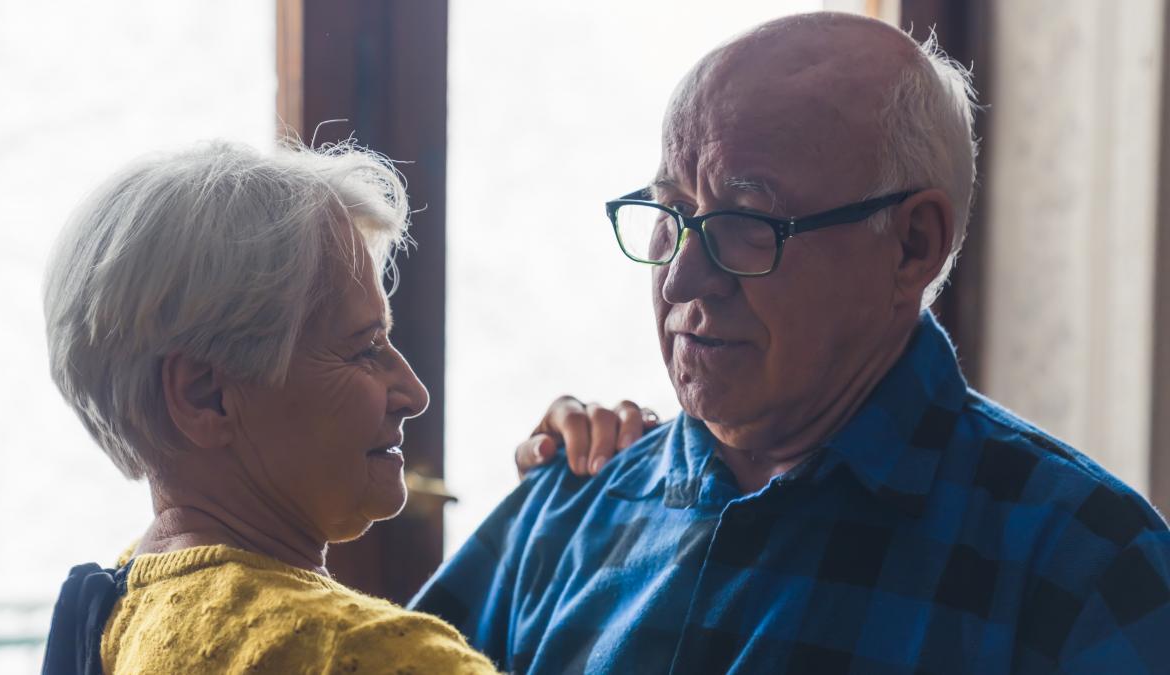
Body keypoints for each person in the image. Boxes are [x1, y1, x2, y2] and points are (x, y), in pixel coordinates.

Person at [413, 12, 1170, 674]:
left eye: (748, 221)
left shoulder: (1089, 566)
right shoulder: (568, 508)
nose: (682, 281)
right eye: (672, 210)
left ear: (911, 244)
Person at [38, 140, 638, 674]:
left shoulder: (118, 612)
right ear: (205, 396)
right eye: (365, 350)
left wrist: (548, 528)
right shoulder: (371, 656)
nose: (413, 393)